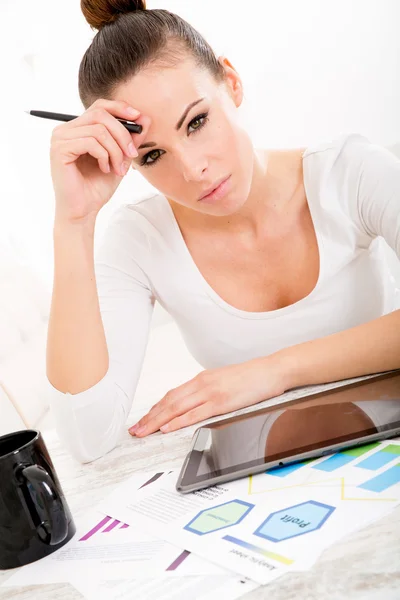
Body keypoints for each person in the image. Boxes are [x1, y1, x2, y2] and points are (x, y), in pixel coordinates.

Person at [46, 0, 400, 463]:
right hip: (271, 475)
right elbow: (86, 438)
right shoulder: (138, 239)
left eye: (196, 121)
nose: (193, 170)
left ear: (231, 83)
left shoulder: (349, 172)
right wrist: (73, 224)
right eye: (151, 156)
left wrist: (275, 371)